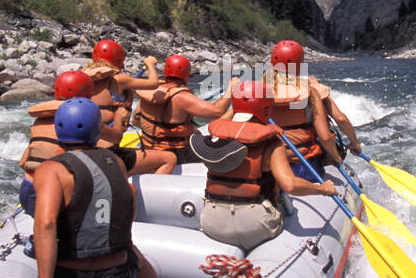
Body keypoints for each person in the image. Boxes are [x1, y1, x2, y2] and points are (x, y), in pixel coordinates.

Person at [24, 98, 164, 278]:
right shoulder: (115, 161)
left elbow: (46, 224)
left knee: (36, 245)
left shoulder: (51, 170)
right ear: (97, 131)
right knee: (130, 250)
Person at [192, 81, 336, 252]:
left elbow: (240, 151)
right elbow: (290, 185)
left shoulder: (217, 136)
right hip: (256, 226)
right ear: (267, 109)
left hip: (213, 222)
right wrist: (323, 189)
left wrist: (236, 108)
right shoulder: (272, 144)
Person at [18, 70, 174, 214]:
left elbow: (22, 161)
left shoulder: (40, 119)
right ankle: (123, 238)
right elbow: (116, 137)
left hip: (27, 190)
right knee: (130, 191)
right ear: (88, 94)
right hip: (53, 193)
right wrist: (119, 117)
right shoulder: (84, 116)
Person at [133, 54, 233, 165]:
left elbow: (136, 122)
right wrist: (231, 89)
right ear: (186, 74)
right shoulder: (182, 97)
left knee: (197, 133)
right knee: (223, 150)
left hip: (147, 147)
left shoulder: (151, 92)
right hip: (176, 153)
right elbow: (217, 111)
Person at [263, 39, 341, 179]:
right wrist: (336, 157)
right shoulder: (309, 92)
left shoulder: (258, 91)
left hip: (268, 164)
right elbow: (325, 137)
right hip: (302, 165)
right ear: (299, 65)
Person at [83, 39, 159, 145]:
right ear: (118, 60)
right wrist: (150, 64)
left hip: (87, 138)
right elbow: (153, 83)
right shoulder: (119, 79)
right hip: (107, 142)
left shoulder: (85, 77)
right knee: (169, 157)